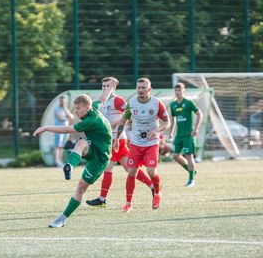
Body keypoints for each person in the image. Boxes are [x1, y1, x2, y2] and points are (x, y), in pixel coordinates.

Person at [33, 94, 112, 228]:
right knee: (81, 142)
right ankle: (70, 165)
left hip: (100, 158)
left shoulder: (91, 120)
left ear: (87, 107)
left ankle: (62, 218)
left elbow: (66, 129)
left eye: (78, 109)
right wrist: (111, 87)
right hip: (92, 147)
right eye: (75, 108)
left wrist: (45, 128)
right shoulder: (94, 107)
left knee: (80, 188)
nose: (76, 112)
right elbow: (103, 99)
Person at [86, 77, 154, 208]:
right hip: (110, 139)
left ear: (114, 87)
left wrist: (113, 124)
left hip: (118, 139)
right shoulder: (103, 101)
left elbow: (130, 114)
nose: (105, 88)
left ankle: (102, 198)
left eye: (108, 86)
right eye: (103, 86)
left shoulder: (117, 100)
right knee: (128, 168)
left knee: (109, 168)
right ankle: (152, 186)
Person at [114, 78, 170, 212]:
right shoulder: (132, 103)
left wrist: (157, 130)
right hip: (136, 143)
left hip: (152, 143)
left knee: (151, 171)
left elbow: (167, 122)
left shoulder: (157, 103)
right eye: (138, 88)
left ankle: (157, 193)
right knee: (131, 171)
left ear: (149, 89)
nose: (140, 90)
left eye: (143, 88)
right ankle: (128, 203)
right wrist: (116, 138)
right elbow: (123, 121)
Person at [169, 82, 203, 187]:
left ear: (183, 91)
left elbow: (200, 114)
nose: (177, 92)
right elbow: (173, 119)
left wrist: (196, 129)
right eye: (176, 90)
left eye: (179, 90)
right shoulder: (173, 105)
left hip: (188, 134)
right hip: (179, 135)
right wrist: (171, 132)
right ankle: (191, 171)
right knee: (175, 155)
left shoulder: (188, 103)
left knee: (189, 156)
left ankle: (191, 180)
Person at [53, 95, 74, 167]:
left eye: (63, 101)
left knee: (61, 146)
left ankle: (60, 161)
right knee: (57, 145)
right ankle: (57, 161)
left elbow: (72, 117)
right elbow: (61, 118)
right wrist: (67, 117)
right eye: (61, 101)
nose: (62, 102)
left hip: (65, 131)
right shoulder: (56, 109)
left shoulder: (65, 109)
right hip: (59, 130)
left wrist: (65, 108)